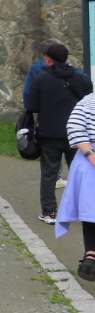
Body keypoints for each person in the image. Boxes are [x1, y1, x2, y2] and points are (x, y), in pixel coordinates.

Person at [26, 43, 92, 225]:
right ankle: (84, 211)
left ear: (48, 60)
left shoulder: (40, 79)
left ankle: (49, 212)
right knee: (80, 173)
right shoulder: (83, 80)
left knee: (49, 174)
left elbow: (32, 107)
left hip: (50, 134)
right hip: (77, 135)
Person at [57, 93, 95, 282]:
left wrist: (90, 154)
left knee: (91, 211)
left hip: (88, 164)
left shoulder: (88, 101)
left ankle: (91, 254)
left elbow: (74, 127)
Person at [24, 39, 66, 187]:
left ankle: (54, 177)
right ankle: (63, 178)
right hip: (65, 111)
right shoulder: (69, 70)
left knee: (50, 147)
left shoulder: (36, 69)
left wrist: (31, 107)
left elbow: (28, 91)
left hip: (46, 112)